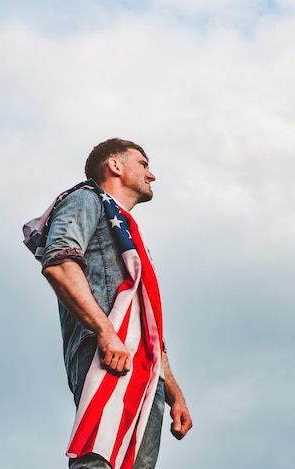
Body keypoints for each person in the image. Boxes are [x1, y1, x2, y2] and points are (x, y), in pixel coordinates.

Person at [25, 138, 192, 468]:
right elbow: (59, 262)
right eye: (143, 164)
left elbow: (148, 320)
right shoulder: (86, 199)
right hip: (110, 348)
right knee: (99, 457)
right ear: (115, 166)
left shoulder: (128, 232)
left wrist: (174, 392)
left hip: (145, 364)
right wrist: (106, 333)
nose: (152, 174)